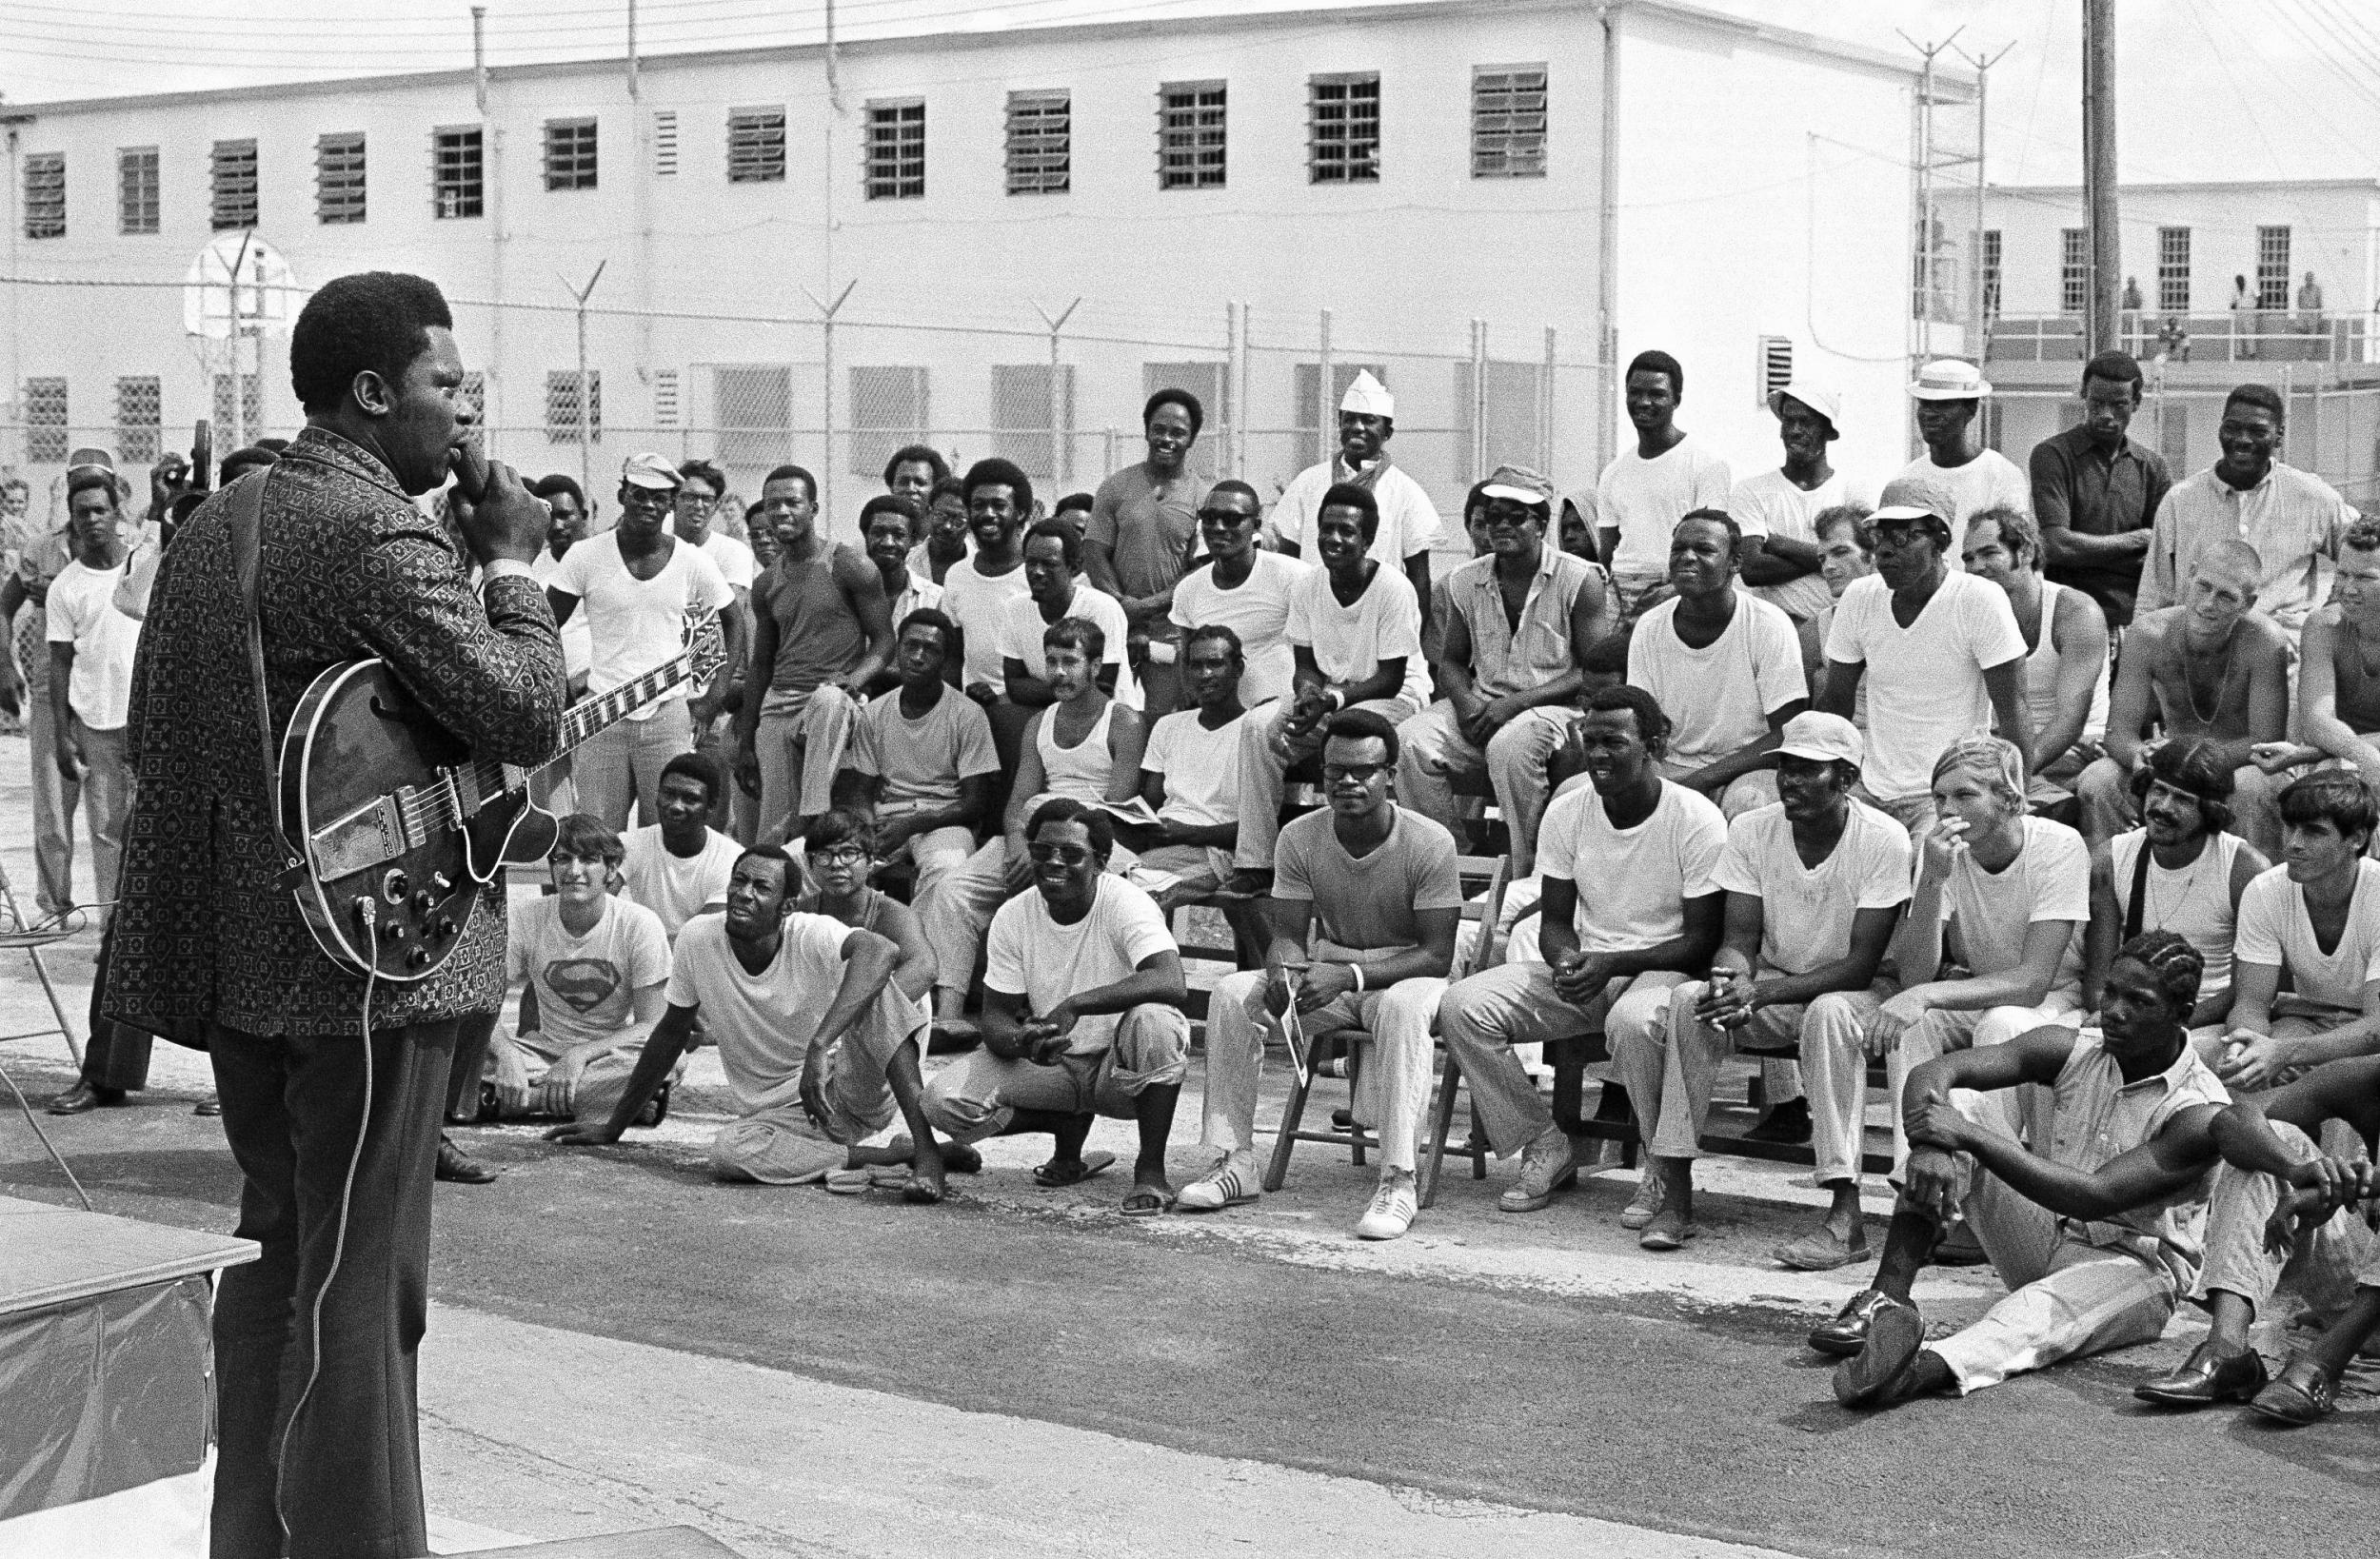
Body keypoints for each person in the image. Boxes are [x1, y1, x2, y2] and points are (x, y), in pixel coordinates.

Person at [100, 271, 566, 1558]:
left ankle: (252, 1538)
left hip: (249, 972)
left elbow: (159, 734)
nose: (463, 409)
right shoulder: (379, 535)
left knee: (276, 1263)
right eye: (443, 384)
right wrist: (514, 561)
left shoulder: (223, 519)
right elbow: (523, 710)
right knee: (368, 1290)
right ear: (373, 395)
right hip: (372, 975)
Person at [1812, 933, 2227, 1411]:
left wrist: (1966, 1137)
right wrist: (1930, 1143)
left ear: (2184, 1012)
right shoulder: (2077, 1048)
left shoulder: (2198, 1109)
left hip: (2138, 1268)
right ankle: (1887, 1301)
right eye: (2111, 993)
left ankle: (1913, 1370)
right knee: (1962, 1105)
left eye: (2138, 1001)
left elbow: (2092, 1196)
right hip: (2049, 1233)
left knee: (2032, 1316)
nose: (2114, 1010)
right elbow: (1936, 1072)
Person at [1619, 714, 1910, 1261]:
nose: (1789, 781)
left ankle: (1845, 1217)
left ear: (1846, 778)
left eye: (1807, 770)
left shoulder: (1884, 838)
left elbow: (1860, 966)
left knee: (1829, 1012)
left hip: (1861, 992)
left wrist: (1759, 993)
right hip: (1776, 984)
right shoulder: (1754, 829)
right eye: (1785, 768)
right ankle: (1675, 1192)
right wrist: (1731, 977)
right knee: (1690, 1000)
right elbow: (1739, 937)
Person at [1436, 686, 1727, 1218]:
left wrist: (1614, 964)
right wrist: (1565, 960)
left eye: (1613, 741)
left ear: (1654, 744)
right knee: (1462, 1007)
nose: (1597, 755)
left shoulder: (1696, 818)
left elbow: (1702, 942)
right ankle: (1546, 1142)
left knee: (1635, 1022)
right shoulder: (1568, 812)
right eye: (1589, 741)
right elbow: (1553, 921)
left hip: (1661, 970)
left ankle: (1662, 1169)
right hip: (1592, 967)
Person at [549, 843, 979, 1200]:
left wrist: (819, 1046)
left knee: (878, 989)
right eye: (739, 881)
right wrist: (613, 1126)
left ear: (786, 906)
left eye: (760, 887)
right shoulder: (699, 939)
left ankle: (926, 1155)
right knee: (728, 1153)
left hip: (855, 1080)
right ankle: (889, 1157)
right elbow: (670, 1032)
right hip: (790, 1115)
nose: (743, 894)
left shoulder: (810, 931)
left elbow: (881, 952)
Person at [1179, 710, 1463, 1239]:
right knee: (1233, 992)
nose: (1349, 782)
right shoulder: (1298, 837)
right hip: (1330, 971)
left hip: (1402, 975)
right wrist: (1283, 972)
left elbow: (1435, 957)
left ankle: (1398, 1177)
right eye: (1336, 772)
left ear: (1392, 774)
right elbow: (1288, 934)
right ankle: (1233, 1159)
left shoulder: (1430, 842)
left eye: (1364, 770)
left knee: (1403, 1008)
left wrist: (1348, 975)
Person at [922, 798, 1191, 1215]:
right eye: (1042, 851)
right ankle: (1064, 1127)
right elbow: (995, 1014)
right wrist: (1021, 1039)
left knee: (1156, 1020)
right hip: (1057, 1067)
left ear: (1101, 861)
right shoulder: (1014, 915)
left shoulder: (1125, 901)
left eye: (1072, 854)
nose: (1054, 862)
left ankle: (1150, 1169)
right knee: (942, 1101)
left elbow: (1171, 981)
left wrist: (1076, 1005)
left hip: (1119, 1073)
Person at [1860, 736, 2091, 1183]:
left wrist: (1926, 994)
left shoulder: (2059, 845)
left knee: (2002, 1025)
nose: (1948, 809)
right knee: (1912, 1024)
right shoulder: (1941, 854)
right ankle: (1916, 1171)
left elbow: (2033, 982)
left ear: (2009, 799)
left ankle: (1983, 1182)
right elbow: (1914, 974)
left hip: (2057, 998)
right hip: (1981, 989)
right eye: (1939, 797)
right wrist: (1932, 879)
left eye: (1965, 794)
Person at [916, 618, 1146, 1041]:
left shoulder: (1123, 722)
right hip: (1033, 833)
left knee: (1081, 894)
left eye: (1071, 661)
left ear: (1096, 666)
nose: (1059, 672)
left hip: (1091, 839)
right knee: (952, 891)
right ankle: (949, 1016)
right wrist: (1019, 844)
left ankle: (1077, 1016)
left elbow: (1112, 812)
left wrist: (1046, 844)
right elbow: (1018, 800)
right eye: (1052, 661)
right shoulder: (1039, 722)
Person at [2133, 1056, 2379, 1422]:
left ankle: (2324, 1362)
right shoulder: (2366, 1076)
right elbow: (2233, 1119)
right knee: (2271, 1140)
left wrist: (2331, 1192)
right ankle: (2228, 1350)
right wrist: (2298, 1171)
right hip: (2364, 1297)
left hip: (2363, 1320)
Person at [1397, 464, 1607, 875]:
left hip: (1555, 707)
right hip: (1485, 702)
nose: (1502, 526)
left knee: (1509, 748)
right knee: (1410, 741)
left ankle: (1527, 871)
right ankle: (1452, 862)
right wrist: (1467, 702)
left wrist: (1514, 706)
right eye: (1494, 516)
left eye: (1517, 516)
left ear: (1542, 524)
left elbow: (1592, 673)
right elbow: (1453, 662)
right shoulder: (1464, 580)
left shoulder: (1579, 579)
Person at [1224, 482, 1430, 886]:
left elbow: (1389, 679)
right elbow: (1305, 665)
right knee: (1256, 727)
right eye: (1326, 529)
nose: (1333, 539)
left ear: (1368, 540)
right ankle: (1255, 862)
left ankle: (1358, 862)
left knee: (1344, 733)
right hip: (1331, 696)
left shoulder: (1393, 588)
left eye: (1347, 531)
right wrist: (1306, 697)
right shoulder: (1307, 585)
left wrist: (1330, 702)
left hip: (1393, 697)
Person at [546, 452, 740, 828]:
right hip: (601, 716)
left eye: (659, 496)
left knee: (669, 831)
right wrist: (559, 690)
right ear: (623, 496)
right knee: (598, 832)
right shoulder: (585, 556)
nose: (649, 504)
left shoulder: (691, 560)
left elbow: (733, 622)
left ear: (670, 504)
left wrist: (713, 698)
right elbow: (545, 626)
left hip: (667, 713)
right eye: (639, 494)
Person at [1818, 505, 2032, 835]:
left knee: (1927, 869)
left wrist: (2019, 808)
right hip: (1871, 788)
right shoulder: (1859, 597)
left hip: (1949, 793)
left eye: (1904, 536)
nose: (1886, 549)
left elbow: (2015, 714)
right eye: (1879, 536)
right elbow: (1835, 705)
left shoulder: (1979, 599)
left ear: (1940, 540)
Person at [2074, 541, 2289, 858]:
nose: (2208, 604)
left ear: (2248, 603)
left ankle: (2257, 895)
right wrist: (2139, 756)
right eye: (2203, 586)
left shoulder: (2264, 641)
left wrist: (2190, 762)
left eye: (2226, 596)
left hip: (2238, 768)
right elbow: (2119, 733)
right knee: (2098, 780)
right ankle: (2107, 887)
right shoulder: (2148, 634)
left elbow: (2265, 741)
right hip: (2171, 764)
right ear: (2190, 576)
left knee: (2253, 787)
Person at [735, 464, 892, 847]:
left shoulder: (849, 565)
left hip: (832, 701)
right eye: (773, 505)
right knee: (772, 835)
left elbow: (885, 641)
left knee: (827, 699)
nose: (782, 513)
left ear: (814, 508)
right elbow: (761, 664)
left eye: (792, 503)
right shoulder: (767, 583)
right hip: (780, 704)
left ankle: (811, 815)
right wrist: (745, 737)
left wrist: (852, 681)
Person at [2136, 383, 2360, 645]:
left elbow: (2367, 552)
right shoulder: (2180, 500)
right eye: (2232, 428)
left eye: (2257, 431)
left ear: (2279, 436)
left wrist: (2332, 613)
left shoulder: (2312, 496)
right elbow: (2153, 599)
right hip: (2201, 656)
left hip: (2286, 659)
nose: (2242, 440)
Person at [484, 814, 673, 1125]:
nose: (574, 871)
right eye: (562, 859)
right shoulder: (527, 918)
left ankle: (525, 1100)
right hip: (541, 1052)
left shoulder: (639, 924)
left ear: (611, 870)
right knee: (456, 1052)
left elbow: (653, 1023)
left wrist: (580, 1055)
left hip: (607, 1054)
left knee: (669, 1059)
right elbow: (484, 1004)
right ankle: (618, 1103)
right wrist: (507, 1056)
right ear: (551, 869)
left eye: (588, 860)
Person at [1626, 509, 1808, 819]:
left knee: (1752, 805)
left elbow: (1787, 733)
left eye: (1705, 549)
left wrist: (1704, 779)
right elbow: (1640, 722)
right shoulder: (1649, 625)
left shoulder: (1768, 624)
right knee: (1581, 794)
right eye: (1678, 549)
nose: (1687, 557)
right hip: (1672, 764)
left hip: (1748, 766)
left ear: (1735, 563)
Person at [2085, 738, 2266, 1043]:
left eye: (2182, 800)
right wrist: (2112, 1013)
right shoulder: (2110, 860)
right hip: (2133, 1011)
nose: (2163, 808)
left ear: (2211, 812)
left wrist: (2171, 1026)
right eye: (2158, 791)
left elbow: (2248, 988)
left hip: (2208, 1016)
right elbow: (2099, 978)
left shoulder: (2245, 869)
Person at [2215, 771, 2380, 1095]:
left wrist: (2282, 1053)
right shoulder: (2265, 890)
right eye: (2289, 827)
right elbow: (2251, 1003)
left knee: (2349, 1080)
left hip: (2368, 1033)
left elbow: (2377, 1028)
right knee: (2232, 1068)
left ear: (2357, 839)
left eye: (2314, 832)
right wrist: (2246, 1047)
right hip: (2307, 1019)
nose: (2293, 843)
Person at [833, 606, 1001, 915]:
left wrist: (913, 824)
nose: (918, 656)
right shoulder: (876, 712)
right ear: (898, 650)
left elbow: (975, 803)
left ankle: (924, 954)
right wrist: (867, 826)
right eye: (911, 645)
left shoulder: (967, 715)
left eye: (931, 650)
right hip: (887, 818)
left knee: (946, 870)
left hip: (944, 820)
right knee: (838, 863)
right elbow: (860, 790)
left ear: (945, 660)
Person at [1268, 371, 1441, 637]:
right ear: (1339, 424)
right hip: (1314, 619)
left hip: (1377, 622)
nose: (1357, 427)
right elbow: (1286, 559)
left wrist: (1410, 640)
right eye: (1350, 419)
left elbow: (1419, 578)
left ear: (1387, 432)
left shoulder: (1406, 492)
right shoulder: (1309, 481)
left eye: (1368, 421)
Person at [1960, 504, 2109, 810]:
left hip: (2074, 751)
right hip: (2003, 751)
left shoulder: (2077, 611)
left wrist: (2015, 771)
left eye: (1989, 553)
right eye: (1969, 558)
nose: (1976, 567)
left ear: (2025, 552)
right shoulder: (1969, 613)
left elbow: (2070, 720)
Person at [43, 465, 139, 926]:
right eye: (83, 513)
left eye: (101, 509)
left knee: (152, 828)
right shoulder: (66, 587)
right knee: (107, 832)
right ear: (72, 519)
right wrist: (63, 737)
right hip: (97, 725)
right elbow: (59, 663)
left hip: (147, 722)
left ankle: (152, 928)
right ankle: (112, 929)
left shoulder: (143, 566)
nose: (93, 519)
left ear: (116, 512)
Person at [2030, 349, 2172, 629]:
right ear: (2084, 395)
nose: (2106, 414)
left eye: (2118, 404)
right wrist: (2137, 540)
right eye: (2097, 402)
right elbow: (2056, 545)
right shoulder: (2052, 455)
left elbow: (2160, 558)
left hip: (2133, 621)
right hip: (2067, 619)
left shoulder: (2152, 467)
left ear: (2136, 403)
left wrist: (2082, 551)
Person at [1085, 388, 1204, 715]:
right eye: (1159, 430)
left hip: (1168, 633)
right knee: (1108, 717)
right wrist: (1123, 606)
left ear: (1191, 439)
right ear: (1147, 431)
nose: (1167, 439)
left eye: (1178, 433)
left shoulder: (1201, 495)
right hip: (1115, 627)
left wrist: (1150, 605)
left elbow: (1197, 571)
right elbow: (1094, 553)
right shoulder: (1116, 487)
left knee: (1161, 721)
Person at [1115, 623, 1247, 909]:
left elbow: (1255, 826)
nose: (1205, 674)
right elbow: (1152, 800)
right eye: (1196, 666)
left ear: (1238, 669)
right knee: (1085, 879)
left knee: (1127, 896)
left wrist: (1186, 833)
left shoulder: (1253, 732)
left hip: (1213, 852)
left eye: (1215, 664)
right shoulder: (1169, 726)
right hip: (1162, 847)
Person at [1596, 349, 1733, 610]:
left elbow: (1711, 546)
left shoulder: (1706, 464)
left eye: (1656, 394)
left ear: (1676, 399)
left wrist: (1673, 591)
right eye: (1635, 393)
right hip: (1618, 593)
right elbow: (1607, 552)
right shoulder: (1613, 472)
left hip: (1675, 589)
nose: (1644, 402)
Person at [2, 469, 82, 918]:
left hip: (108, 691)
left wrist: (58, 593)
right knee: (52, 805)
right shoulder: (40, 547)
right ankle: (54, 903)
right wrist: (2, 664)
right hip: (51, 684)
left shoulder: (131, 544)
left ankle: (116, 911)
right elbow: (5, 604)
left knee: (115, 814)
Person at [1733, 381, 1872, 623]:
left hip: (1840, 624)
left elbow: (1864, 564)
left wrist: (1781, 545)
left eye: (1806, 422)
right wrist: (1832, 556)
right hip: (1773, 627)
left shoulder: (1852, 490)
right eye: (1788, 421)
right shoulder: (1751, 490)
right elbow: (1752, 569)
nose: (1795, 430)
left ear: (1827, 430)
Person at [2264, 520, 2380, 792]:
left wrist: (2312, 753)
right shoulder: (2324, 626)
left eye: (2365, 578)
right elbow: (2316, 722)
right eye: (2342, 574)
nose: (2348, 589)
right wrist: (2365, 756)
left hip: (2337, 752)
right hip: (2343, 757)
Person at [1168, 481, 1304, 709]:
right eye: (1209, 518)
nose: (1219, 527)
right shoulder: (1188, 590)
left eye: (1232, 519)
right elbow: (1188, 661)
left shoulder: (1292, 576)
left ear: (1256, 525)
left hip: (1282, 716)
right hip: (1219, 719)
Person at [942, 457, 1038, 761]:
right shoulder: (956, 575)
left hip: (1029, 710)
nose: (987, 514)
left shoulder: (1037, 575)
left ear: (1021, 513)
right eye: (978, 505)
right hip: (973, 709)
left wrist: (1008, 699)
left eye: (999, 505)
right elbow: (954, 655)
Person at [1001, 517, 1139, 712]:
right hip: (1055, 721)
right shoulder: (1014, 609)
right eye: (1031, 563)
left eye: (1049, 563)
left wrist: (1040, 689)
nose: (1037, 572)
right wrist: (1071, 687)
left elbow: (1103, 688)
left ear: (1073, 567)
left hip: (1111, 720)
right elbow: (1014, 687)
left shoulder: (1102, 608)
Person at [1893, 360, 2029, 529]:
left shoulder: (2001, 476)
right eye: (1925, 403)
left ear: (1971, 410)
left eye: (1944, 405)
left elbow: (2013, 545)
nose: (1930, 414)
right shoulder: (1907, 480)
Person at [620, 753, 743, 940]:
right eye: (668, 794)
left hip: (695, 957)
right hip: (645, 952)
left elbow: (699, 937)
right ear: (657, 797)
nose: (676, 806)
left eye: (690, 799)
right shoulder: (632, 843)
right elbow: (593, 898)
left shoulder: (731, 858)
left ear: (711, 806)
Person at [1797, 504, 1875, 724]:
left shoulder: (1908, 612)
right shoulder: (1816, 630)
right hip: (1841, 746)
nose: (1828, 567)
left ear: (1872, 555)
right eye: (1822, 559)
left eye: (1840, 552)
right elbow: (1799, 718)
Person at [527, 473, 596, 697]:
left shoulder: (603, 562)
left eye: (565, 515)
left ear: (583, 515)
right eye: (548, 516)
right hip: (546, 691)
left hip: (595, 687)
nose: (557, 525)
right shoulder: (531, 567)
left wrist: (586, 678)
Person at [862, 493, 941, 643]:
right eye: (878, 533)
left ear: (912, 541)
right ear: (866, 536)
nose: (888, 543)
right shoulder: (844, 596)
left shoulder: (935, 599)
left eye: (899, 535)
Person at [675, 457, 757, 602]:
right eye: (690, 497)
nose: (698, 505)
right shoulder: (657, 550)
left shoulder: (733, 552)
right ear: (673, 500)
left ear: (715, 507)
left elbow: (731, 618)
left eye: (707, 499)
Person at [912, 474, 972, 585]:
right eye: (940, 516)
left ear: (970, 525)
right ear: (929, 513)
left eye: (958, 521)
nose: (947, 526)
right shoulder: (908, 561)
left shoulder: (982, 568)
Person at [884, 443, 948, 515]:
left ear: (935, 490)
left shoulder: (944, 525)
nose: (911, 489)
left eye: (920, 483)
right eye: (903, 482)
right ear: (892, 488)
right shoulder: (877, 524)